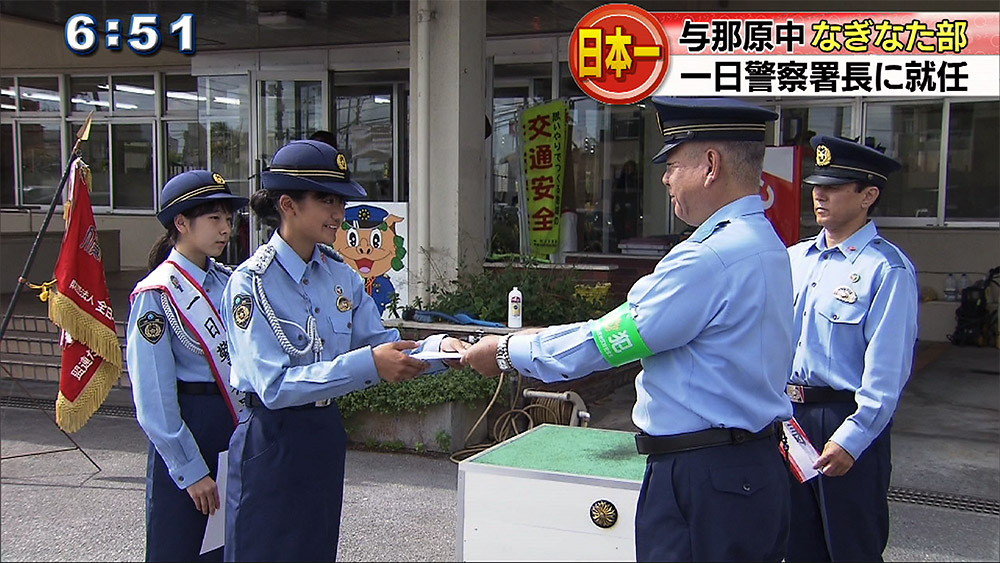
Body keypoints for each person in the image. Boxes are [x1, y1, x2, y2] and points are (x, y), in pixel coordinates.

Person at [462, 97, 795, 562]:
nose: (665, 178)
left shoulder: (708, 259)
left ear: (710, 165)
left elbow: (607, 341)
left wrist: (505, 353)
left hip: (703, 479)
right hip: (748, 470)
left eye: (673, 163)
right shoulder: (766, 244)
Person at [220, 139, 468, 562]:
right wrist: (367, 365)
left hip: (324, 436)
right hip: (272, 439)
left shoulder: (341, 276)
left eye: (340, 201)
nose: (339, 214)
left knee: (315, 550)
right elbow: (274, 386)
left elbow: (383, 347)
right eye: (326, 200)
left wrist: (441, 350)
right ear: (289, 204)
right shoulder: (251, 284)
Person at [784, 136, 918, 562]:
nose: (819, 194)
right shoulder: (795, 258)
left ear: (868, 196)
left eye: (836, 186)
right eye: (817, 184)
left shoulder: (886, 269)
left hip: (845, 421)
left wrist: (852, 439)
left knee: (851, 547)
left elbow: (887, 371)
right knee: (795, 543)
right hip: (790, 419)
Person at [127, 170, 249, 562]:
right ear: (181, 223)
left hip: (232, 424)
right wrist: (189, 469)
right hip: (189, 426)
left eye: (228, 219)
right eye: (214, 219)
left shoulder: (229, 281)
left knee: (231, 544)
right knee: (181, 543)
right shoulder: (157, 294)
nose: (225, 229)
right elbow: (154, 397)